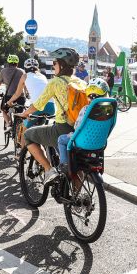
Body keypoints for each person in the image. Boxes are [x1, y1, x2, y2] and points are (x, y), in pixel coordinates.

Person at [18, 47, 86, 187]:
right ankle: (76, 195)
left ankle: (49, 170)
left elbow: (38, 104)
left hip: (62, 128)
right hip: (80, 128)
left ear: (61, 65)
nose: (53, 66)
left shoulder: (55, 82)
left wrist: (26, 113)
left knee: (28, 135)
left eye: (54, 63)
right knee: (76, 160)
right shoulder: (80, 82)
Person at [56, 78, 110, 173]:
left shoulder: (86, 109)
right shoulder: (109, 109)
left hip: (83, 141)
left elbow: (77, 127)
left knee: (61, 139)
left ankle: (64, 164)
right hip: (100, 142)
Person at [0, 54, 26, 131]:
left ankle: (9, 124)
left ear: (8, 62)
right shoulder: (22, 71)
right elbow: (25, 84)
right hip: (21, 97)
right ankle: (19, 127)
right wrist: (27, 93)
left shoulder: (3, 71)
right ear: (17, 63)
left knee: (4, 110)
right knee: (20, 113)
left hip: (9, 96)